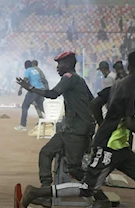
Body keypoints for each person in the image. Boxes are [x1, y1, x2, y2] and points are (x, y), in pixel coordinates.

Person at [15, 50, 135, 208]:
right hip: (109, 146)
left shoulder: (118, 84)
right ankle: (35, 192)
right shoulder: (133, 85)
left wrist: (102, 124)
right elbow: (130, 122)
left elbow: (95, 103)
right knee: (85, 187)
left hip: (117, 145)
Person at [16, 51, 95, 196]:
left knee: (74, 169)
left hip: (76, 131)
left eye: (60, 64)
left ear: (69, 64)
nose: (57, 67)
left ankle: (99, 194)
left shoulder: (69, 77)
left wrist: (30, 88)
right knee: (46, 153)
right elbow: (93, 101)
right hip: (70, 129)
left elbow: (53, 94)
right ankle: (46, 189)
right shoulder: (79, 80)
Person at [15, 60, 46, 131]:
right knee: (41, 106)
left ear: (25, 66)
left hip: (34, 90)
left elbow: (25, 80)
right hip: (41, 89)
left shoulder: (27, 70)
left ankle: (23, 125)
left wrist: (20, 88)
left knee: (25, 106)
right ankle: (52, 120)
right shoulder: (35, 70)